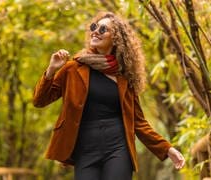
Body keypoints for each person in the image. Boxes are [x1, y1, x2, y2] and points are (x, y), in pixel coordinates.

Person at [33, 11, 185, 180]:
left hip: (118, 148)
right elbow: (40, 100)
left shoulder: (124, 78)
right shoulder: (73, 68)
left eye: (103, 29)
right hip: (86, 149)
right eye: (94, 27)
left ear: (116, 39)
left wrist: (167, 149)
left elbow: (139, 123)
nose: (96, 31)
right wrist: (51, 70)